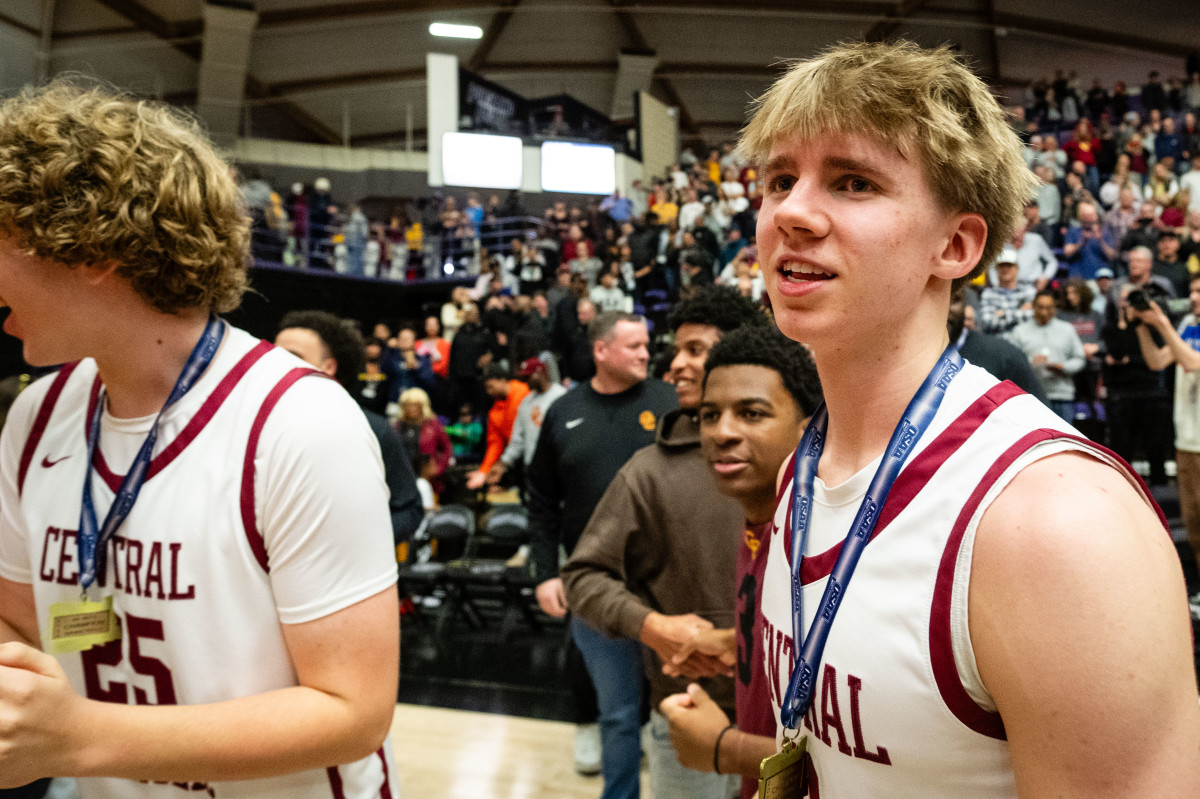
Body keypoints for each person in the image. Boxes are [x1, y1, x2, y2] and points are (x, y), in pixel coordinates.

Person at [741, 41, 1199, 795]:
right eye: (780, 178)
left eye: (852, 181)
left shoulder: (1057, 526)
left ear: (955, 245)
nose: (790, 210)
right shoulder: (803, 465)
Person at [0, 82, 399, 795]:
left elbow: (353, 711)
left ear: (87, 249)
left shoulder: (301, 423)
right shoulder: (37, 417)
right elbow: (19, 621)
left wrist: (81, 735)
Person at [561, 286, 765, 799]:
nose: (674, 366)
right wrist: (653, 627)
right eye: (676, 351)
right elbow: (583, 576)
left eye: (695, 350)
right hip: (686, 711)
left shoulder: (802, 453)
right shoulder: (649, 471)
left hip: (781, 716)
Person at [657, 324, 822, 799]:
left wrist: (725, 750)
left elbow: (864, 763)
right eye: (710, 415)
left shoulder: (820, 553)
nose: (722, 432)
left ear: (808, 427)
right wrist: (744, 639)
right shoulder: (756, 521)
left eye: (751, 413)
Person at [527, 311, 679, 799]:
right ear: (601, 351)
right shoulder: (563, 411)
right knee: (616, 714)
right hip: (595, 585)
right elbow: (543, 501)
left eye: (645, 345)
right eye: (633, 346)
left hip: (668, 583)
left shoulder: (669, 401)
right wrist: (545, 572)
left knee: (676, 709)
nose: (645, 354)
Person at [275, 310, 424, 545]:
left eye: (292, 356)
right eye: (272, 355)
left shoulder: (372, 429)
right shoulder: (257, 426)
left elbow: (409, 510)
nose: (275, 365)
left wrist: (355, 543)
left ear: (328, 367)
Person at [1134, 275, 1200, 616]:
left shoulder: (1183, 327)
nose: (1193, 297)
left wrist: (1162, 322)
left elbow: (1192, 363)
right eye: (1191, 291)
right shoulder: (1189, 324)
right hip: (1188, 439)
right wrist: (1143, 327)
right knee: (1193, 522)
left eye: (1199, 292)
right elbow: (1158, 361)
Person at [485, 357, 566, 489]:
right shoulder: (526, 402)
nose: (526, 381)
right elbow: (517, 440)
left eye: (529, 376)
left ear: (541, 374)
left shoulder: (561, 396)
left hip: (557, 465)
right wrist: (503, 463)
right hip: (533, 466)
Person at [1006, 290, 1087, 423]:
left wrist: (1064, 367)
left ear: (1054, 308)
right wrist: (1030, 364)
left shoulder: (1066, 329)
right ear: (1033, 307)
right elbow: (1011, 364)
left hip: (1062, 396)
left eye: (1048, 308)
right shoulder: (1020, 331)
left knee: (1063, 441)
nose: (1044, 312)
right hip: (1031, 397)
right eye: (1040, 307)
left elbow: (1080, 358)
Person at [465, 365, 530, 490]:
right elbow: (495, 443)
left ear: (502, 379)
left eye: (491, 387)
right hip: (516, 459)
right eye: (487, 388)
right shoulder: (495, 411)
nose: (489, 392)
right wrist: (484, 471)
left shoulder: (524, 392)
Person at [396, 387, 453, 492]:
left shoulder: (433, 425)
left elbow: (447, 448)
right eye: (408, 404)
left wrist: (439, 468)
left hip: (427, 478)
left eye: (416, 404)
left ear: (423, 405)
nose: (412, 408)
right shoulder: (398, 426)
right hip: (403, 476)